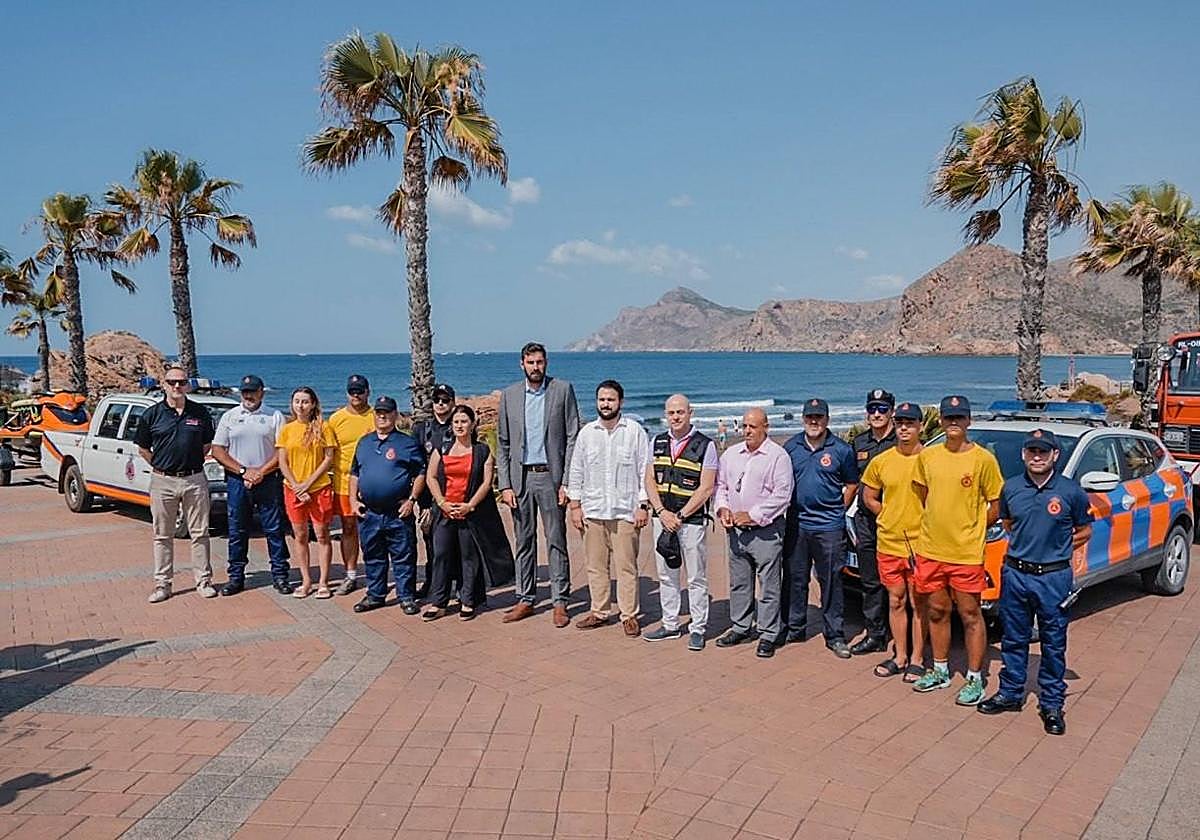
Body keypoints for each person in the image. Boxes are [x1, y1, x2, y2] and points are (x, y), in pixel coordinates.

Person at [979, 429, 1092, 735]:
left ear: (1055, 455)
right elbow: (1008, 523)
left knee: (1053, 643)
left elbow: (1084, 530)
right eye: (1032, 451)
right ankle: (1011, 693)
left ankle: (1052, 703)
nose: (1037, 457)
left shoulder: (1071, 492)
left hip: (1053, 578)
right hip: (1016, 574)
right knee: (1013, 638)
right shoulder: (1012, 487)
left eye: (1044, 451)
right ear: (1023, 454)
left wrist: (1059, 548)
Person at [910, 395, 1003, 705]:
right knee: (936, 611)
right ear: (941, 420)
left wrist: (973, 527)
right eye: (949, 417)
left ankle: (975, 678)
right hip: (931, 550)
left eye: (959, 417)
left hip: (965, 554)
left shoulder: (983, 460)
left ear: (968, 422)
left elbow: (995, 504)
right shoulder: (928, 457)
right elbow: (923, 494)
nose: (953, 423)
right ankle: (940, 670)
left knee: (971, 614)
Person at [496, 341, 581, 626]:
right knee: (524, 541)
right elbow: (503, 443)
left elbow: (572, 437)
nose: (536, 367)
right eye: (531, 362)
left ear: (546, 363)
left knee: (556, 540)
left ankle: (560, 601)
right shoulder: (509, 396)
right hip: (521, 480)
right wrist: (505, 485)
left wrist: (567, 481)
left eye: (540, 362)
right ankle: (525, 598)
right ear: (522, 363)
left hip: (551, 477)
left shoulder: (562, 390)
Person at [567, 380, 650, 637]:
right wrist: (575, 506)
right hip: (592, 512)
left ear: (620, 402)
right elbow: (577, 470)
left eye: (611, 399)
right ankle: (599, 611)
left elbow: (645, 470)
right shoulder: (587, 433)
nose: (606, 404)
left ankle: (629, 615)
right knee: (595, 565)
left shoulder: (635, 431)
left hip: (625, 511)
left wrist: (643, 505)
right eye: (602, 399)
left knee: (627, 567)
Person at [780, 398, 859, 658]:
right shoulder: (790, 447)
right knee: (795, 577)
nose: (814, 421)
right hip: (797, 524)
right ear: (803, 419)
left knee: (832, 580)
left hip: (829, 527)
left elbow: (851, 484)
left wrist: (838, 509)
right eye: (809, 417)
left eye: (819, 417)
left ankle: (834, 634)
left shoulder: (841, 449)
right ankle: (795, 626)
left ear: (827, 419)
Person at [713, 408, 793, 658]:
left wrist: (753, 514)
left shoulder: (778, 457)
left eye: (753, 426)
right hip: (736, 531)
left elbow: (782, 495)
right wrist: (722, 508)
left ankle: (768, 633)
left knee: (769, 584)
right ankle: (741, 626)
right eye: (745, 426)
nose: (747, 431)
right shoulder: (731, 455)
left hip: (766, 531)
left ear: (765, 427)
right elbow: (721, 486)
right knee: (739, 582)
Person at [423, 404, 515, 620]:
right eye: (456, 422)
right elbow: (431, 477)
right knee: (441, 555)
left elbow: (486, 483)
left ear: (473, 424)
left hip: (469, 513)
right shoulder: (441, 448)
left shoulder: (482, 451)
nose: (459, 425)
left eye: (464, 421)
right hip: (445, 512)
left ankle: (467, 600)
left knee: (468, 557)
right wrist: (442, 502)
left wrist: (469, 505)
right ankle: (439, 602)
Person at [642, 395, 718, 650]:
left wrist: (681, 516)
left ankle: (698, 627)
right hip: (662, 519)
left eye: (680, 412)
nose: (675, 417)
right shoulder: (657, 442)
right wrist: (662, 512)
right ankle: (670, 624)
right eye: (671, 412)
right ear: (666, 414)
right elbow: (649, 480)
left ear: (690, 413)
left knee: (696, 576)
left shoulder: (705, 445)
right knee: (666, 575)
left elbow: (706, 487)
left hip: (692, 521)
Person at [136, 365, 217, 603]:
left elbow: (206, 446)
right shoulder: (152, 414)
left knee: (200, 533)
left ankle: (203, 581)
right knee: (162, 535)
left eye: (181, 382)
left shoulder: (200, 413)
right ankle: (163, 585)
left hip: (194, 479)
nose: (177, 386)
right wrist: (162, 466)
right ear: (164, 385)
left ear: (188, 385)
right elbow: (143, 448)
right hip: (163, 481)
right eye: (172, 382)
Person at [859, 401, 928, 682]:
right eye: (900, 423)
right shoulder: (882, 460)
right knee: (896, 600)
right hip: (888, 543)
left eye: (909, 423)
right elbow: (868, 496)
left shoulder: (931, 459)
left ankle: (918, 659)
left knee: (919, 603)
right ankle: (899, 656)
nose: (903, 428)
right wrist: (885, 514)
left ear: (920, 426)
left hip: (920, 545)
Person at [211, 374, 292, 596]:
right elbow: (218, 449)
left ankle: (280, 576)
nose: (248, 396)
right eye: (245, 392)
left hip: (268, 479)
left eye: (253, 391)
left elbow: (282, 451)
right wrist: (244, 472)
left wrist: (260, 473)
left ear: (261, 393)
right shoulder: (230, 416)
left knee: (274, 530)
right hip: (238, 480)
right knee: (237, 530)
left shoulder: (274, 416)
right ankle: (236, 577)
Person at [349, 396, 426, 615]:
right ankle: (375, 595)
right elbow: (354, 473)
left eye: (387, 412)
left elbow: (420, 472)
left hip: (397, 512)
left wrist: (412, 500)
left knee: (403, 556)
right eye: (379, 412)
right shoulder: (364, 442)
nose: (382, 416)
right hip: (369, 512)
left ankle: (406, 597)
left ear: (395, 415)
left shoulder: (406, 443)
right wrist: (353, 500)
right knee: (373, 556)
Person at [848, 389, 897, 656]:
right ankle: (875, 634)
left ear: (891, 411)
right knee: (870, 580)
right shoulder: (859, 443)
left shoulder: (902, 442)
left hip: (896, 522)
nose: (876, 414)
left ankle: (902, 636)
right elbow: (851, 481)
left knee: (900, 583)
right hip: (866, 521)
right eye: (872, 409)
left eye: (882, 409)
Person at [277, 386, 337, 599]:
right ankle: (306, 581)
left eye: (304, 401)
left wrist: (308, 483)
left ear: (313, 404)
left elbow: (328, 458)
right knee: (300, 535)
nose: (300, 406)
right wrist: (296, 485)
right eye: (297, 401)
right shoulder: (287, 429)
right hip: (293, 489)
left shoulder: (323, 427)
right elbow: (282, 461)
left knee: (322, 534)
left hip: (318, 488)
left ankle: (323, 582)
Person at [327, 374, 375, 596]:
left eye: (360, 390)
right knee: (348, 528)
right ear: (347, 393)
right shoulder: (336, 419)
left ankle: (376, 573)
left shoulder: (376, 416)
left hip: (373, 484)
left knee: (374, 530)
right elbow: (328, 452)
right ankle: (351, 574)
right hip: (344, 484)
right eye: (352, 391)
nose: (356, 395)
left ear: (368, 391)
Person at [411, 382, 457, 599]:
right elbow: (416, 465)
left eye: (445, 400)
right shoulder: (422, 429)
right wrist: (421, 502)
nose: (440, 404)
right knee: (431, 544)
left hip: (455, 495)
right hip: (430, 499)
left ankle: (457, 585)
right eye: (437, 400)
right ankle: (432, 582)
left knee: (455, 544)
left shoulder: (458, 426)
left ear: (453, 403)